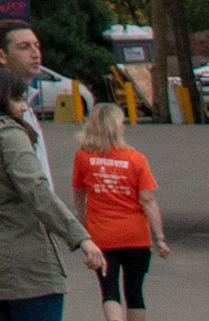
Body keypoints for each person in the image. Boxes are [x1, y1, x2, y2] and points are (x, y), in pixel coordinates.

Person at [0, 62, 92, 321]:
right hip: (26, 264)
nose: (23, 107)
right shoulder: (8, 134)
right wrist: (81, 238)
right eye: (18, 100)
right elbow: (36, 190)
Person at [73, 100, 169, 321]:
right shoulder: (135, 159)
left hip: (102, 235)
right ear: (116, 127)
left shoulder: (84, 157)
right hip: (136, 236)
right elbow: (148, 199)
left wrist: (84, 226)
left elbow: (79, 194)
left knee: (109, 291)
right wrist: (160, 237)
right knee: (135, 293)